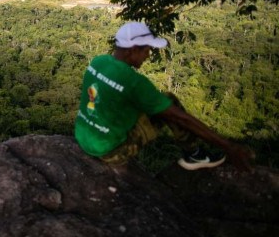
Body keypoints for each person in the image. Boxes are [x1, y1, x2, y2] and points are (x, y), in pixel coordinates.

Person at [74, 22, 254, 171]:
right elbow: (181, 119)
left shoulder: (98, 62)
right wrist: (229, 147)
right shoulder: (134, 82)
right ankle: (195, 155)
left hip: (83, 137)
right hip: (109, 151)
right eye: (147, 50)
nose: (148, 55)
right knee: (170, 102)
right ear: (133, 50)